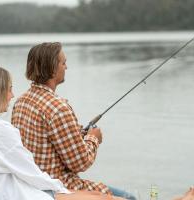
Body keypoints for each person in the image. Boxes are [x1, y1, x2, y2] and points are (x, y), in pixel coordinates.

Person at [0, 65, 128, 200]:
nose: (12, 95)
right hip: (26, 195)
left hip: (14, 192)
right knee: (106, 198)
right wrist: (62, 190)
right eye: (9, 89)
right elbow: (31, 174)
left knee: (94, 195)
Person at [11, 42, 136, 199]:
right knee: (129, 197)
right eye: (63, 63)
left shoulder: (21, 102)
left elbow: (45, 142)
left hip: (31, 184)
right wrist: (93, 138)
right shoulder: (58, 108)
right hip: (58, 186)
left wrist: (77, 135)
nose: (66, 67)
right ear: (51, 68)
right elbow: (80, 162)